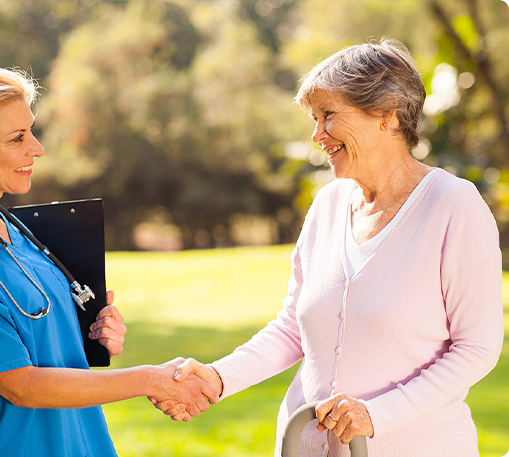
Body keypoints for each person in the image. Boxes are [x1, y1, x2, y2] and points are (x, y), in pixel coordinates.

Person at [154, 39, 504, 456]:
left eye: (328, 115)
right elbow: (292, 328)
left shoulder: (454, 206)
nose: (317, 134)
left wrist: (378, 414)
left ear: (387, 115)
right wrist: (219, 377)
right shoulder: (329, 203)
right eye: (313, 118)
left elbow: (477, 348)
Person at [0, 67, 219, 457]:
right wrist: (149, 379)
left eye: (31, 131)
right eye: (17, 138)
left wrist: (92, 333)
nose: (37, 148)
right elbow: (19, 385)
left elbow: (42, 339)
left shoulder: (19, 232)